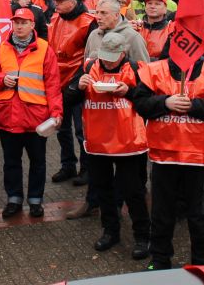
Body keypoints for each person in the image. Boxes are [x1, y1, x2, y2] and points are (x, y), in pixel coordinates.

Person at [132, 44, 204, 269]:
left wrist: (193, 106)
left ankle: (202, 261)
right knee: (162, 210)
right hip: (164, 155)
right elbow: (140, 103)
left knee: (199, 213)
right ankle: (159, 258)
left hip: (199, 156)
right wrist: (165, 102)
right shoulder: (154, 70)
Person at [64, 32, 151, 260]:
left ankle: (143, 235)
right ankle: (110, 231)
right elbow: (67, 98)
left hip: (128, 142)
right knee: (103, 190)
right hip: (97, 142)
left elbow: (151, 102)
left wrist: (129, 92)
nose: (107, 61)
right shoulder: (90, 66)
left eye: (113, 57)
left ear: (123, 53)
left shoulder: (136, 68)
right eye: (105, 56)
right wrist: (77, 88)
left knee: (133, 191)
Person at [0, 7, 62, 220]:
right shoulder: (1, 48)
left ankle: (35, 200)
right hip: (8, 115)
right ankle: (14, 199)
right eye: (16, 22)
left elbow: (53, 84)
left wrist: (56, 112)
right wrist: (2, 79)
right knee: (11, 161)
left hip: (35, 117)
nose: (19, 26)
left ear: (32, 25)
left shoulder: (45, 49)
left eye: (23, 22)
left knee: (38, 161)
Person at [46, 0, 96, 186]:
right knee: (62, 128)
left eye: (60, 1)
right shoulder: (55, 19)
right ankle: (68, 165)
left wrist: (77, 84)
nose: (55, 4)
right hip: (57, 81)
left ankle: (86, 168)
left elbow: (91, 56)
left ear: (73, 0)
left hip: (77, 84)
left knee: (81, 130)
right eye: (54, 1)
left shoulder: (88, 22)